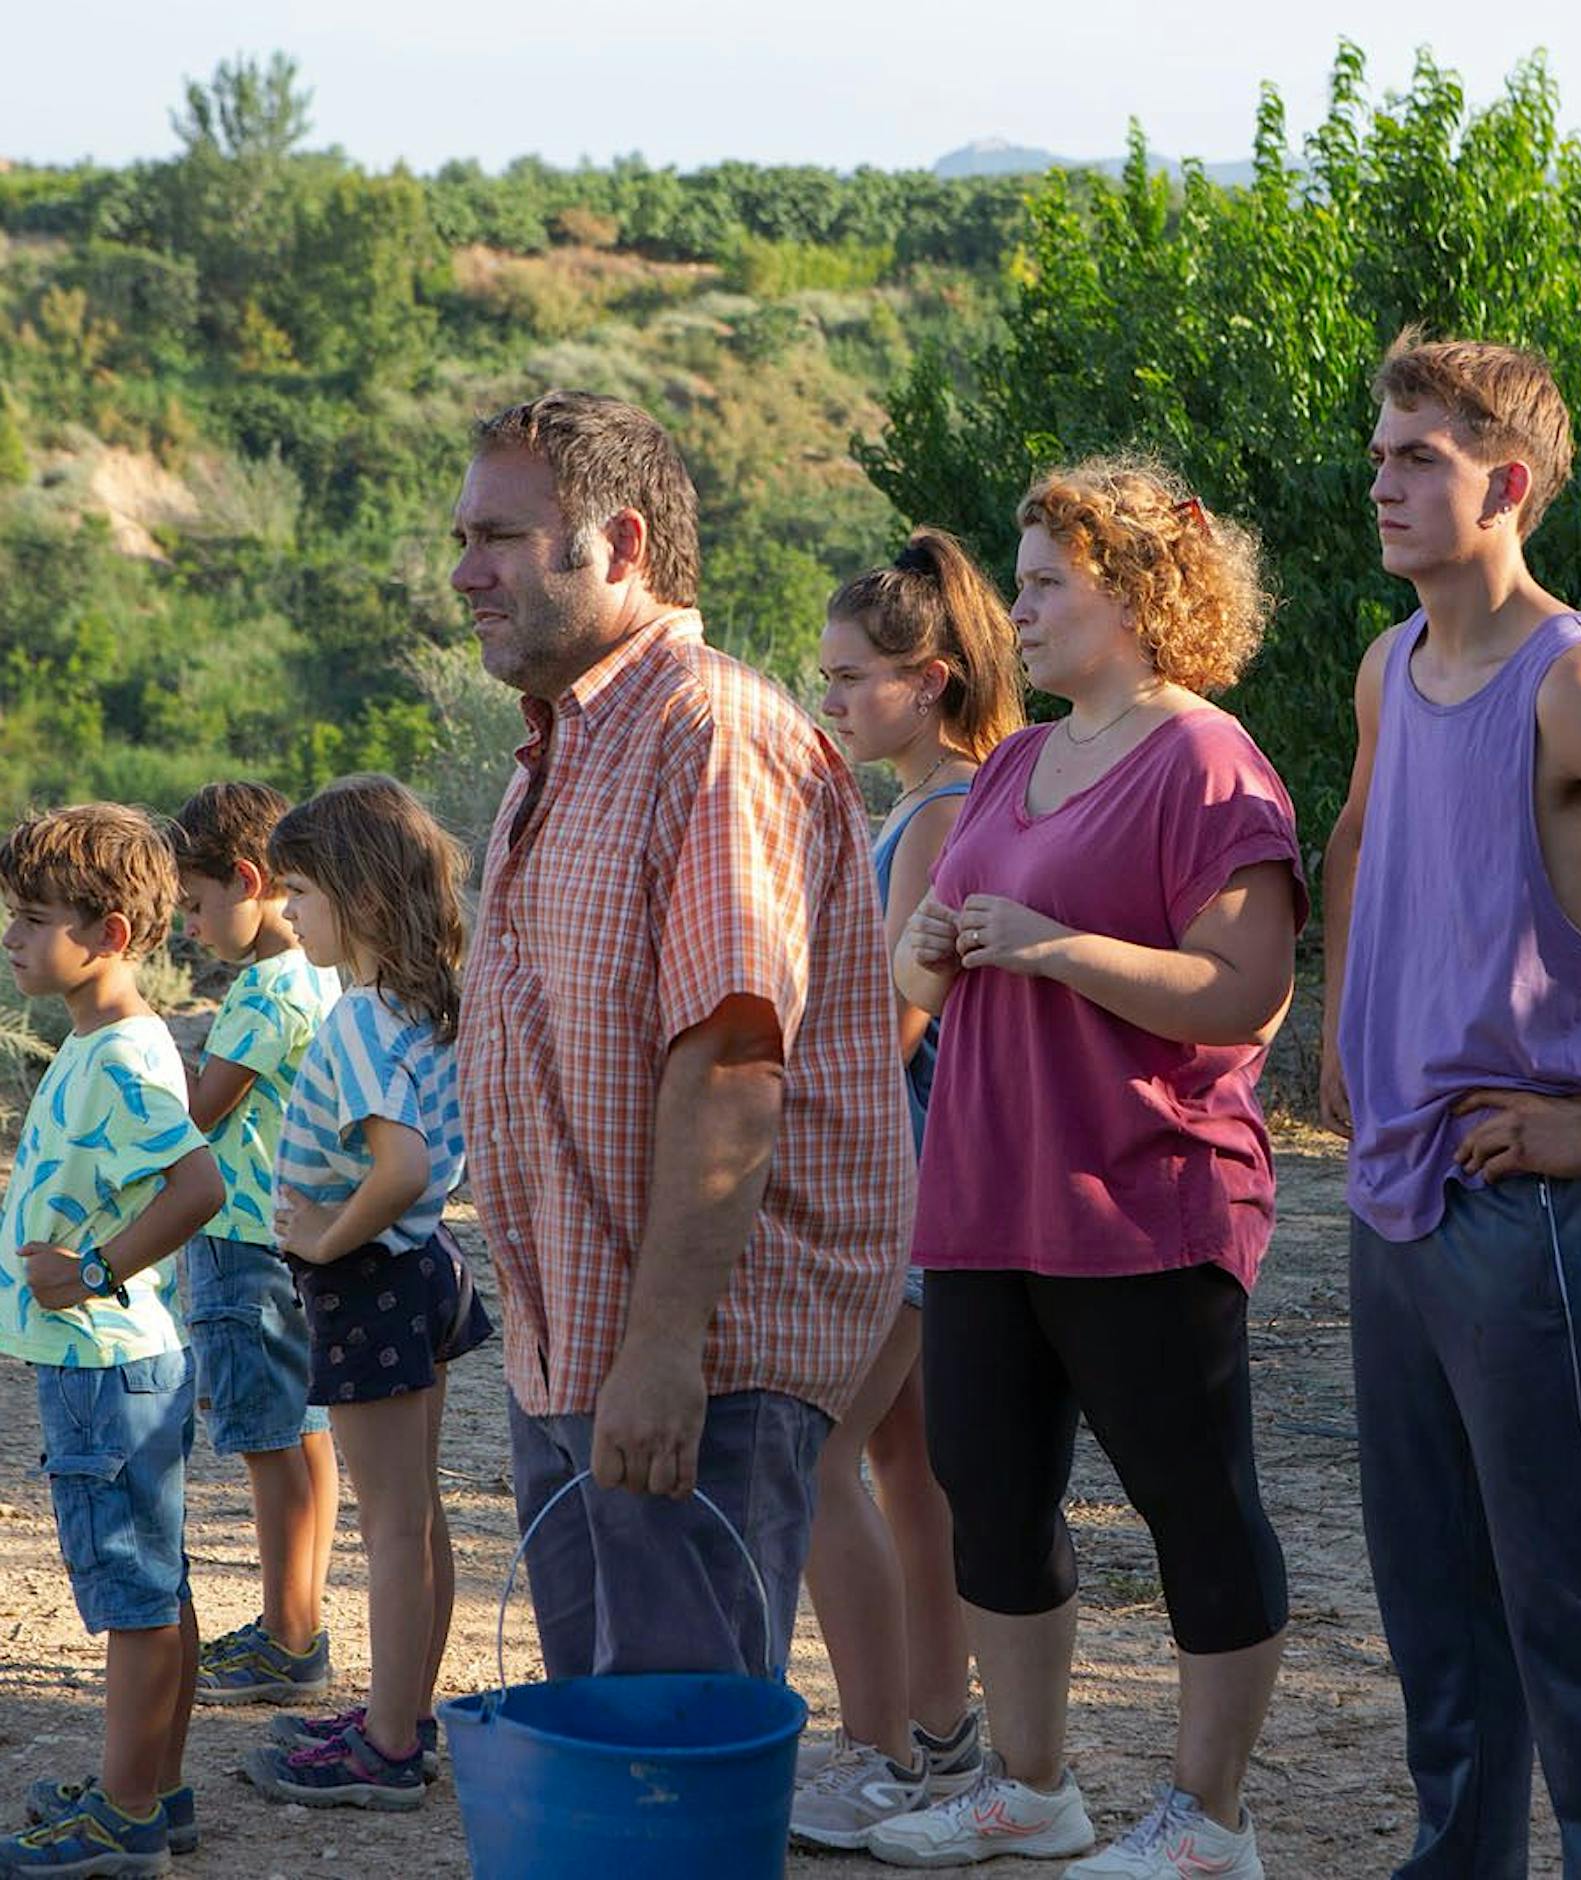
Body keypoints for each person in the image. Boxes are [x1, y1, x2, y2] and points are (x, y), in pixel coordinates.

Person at [869, 457, 1306, 1879]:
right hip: (987, 1195)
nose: (1025, 612)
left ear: (1133, 593)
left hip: (1144, 1198)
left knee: (1195, 1504)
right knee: (988, 1496)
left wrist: (1049, 947)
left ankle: (1207, 1822)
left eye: (1047, 584)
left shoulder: (1207, 759)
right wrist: (930, 945)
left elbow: (1245, 993)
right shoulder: (1011, 761)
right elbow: (920, 958)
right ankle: (1033, 1789)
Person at [452, 391, 913, 1689]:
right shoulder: (564, 746)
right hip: (580, 1354)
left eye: (499, 536)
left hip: (692, 1367)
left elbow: (729, 1064)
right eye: (465, 536)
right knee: (617, 1766)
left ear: (625, 542)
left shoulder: (713, 736)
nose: (464, 571)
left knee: (673, 1759)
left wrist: (660, 1355)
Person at [1319, 334, 1581, 1878]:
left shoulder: (1578, 683)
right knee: (1435, 1608)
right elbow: (1350, 833)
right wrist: (1345, 1030)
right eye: (1383, 451)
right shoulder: (1386, 663)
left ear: (1510, 487)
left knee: (1574, 1613)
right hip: (1396, 1196)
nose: (1386, 483)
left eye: (1422, 459)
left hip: (1528, 1208)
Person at [790, 529, 1024, 1848]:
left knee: (812, 1455)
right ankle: (934, 1735)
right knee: (905, 1469)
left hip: (903, 1190)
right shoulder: (936, 800)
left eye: (848, 679)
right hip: (930, 1187)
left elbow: (896, 1021)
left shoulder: (941, 810)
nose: (828, 701)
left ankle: (883, 1744)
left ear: (927, 677)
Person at [241, 775, 492, 1812]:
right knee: (416, 1515)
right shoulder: (425, 999)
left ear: (363, 898)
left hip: (373, 1276)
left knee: (390, 1523)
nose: (287, 912)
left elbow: (398, 1163)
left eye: (299, 891)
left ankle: (387, 1744)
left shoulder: (356, 1020)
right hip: (422, 1270)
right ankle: (405, 1710)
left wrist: (323, 1239)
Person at [0, 805, 223, 1877]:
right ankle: (155, 1789)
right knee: (156, 1583)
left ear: (114, 932)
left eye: (34, 919)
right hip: (117, 1363)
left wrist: (92, 1270)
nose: (12, 939)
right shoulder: (101, 1038)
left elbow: (201, 1184)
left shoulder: (126, 1056)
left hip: (105, 1366)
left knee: (132, 1598)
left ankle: (126, 1814)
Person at [168, 781, 341, 1705]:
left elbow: (197, 1116)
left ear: (247, 879)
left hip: (241, 1243)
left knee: (270, 1445)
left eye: (196, 906)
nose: (190, 928)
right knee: (305, 1437)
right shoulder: (322, 967)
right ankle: (297, 1623)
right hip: (299, 1236)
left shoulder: (266, 991)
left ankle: (286, 1636)